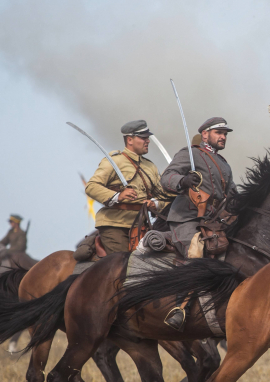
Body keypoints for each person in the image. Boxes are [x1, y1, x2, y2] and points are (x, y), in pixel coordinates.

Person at [160, 117, 237, 329]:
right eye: (219, 133)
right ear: (205, 135)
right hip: (187, 217)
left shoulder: (224, 164)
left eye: (225, 134)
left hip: (213, 220)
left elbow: (231, 192)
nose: (223, 137)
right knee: (195, 250)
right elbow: (166, 177)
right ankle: (180, 309)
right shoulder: (190, 153)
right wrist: (182, 181)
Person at [85, 120, 162, 254]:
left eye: (147, 137)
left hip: (142, 225)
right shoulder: (114, 161)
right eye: (143, 137)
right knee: (123, 263)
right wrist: (118, 196)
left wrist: (156, 203)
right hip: (115, 224)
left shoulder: (151, 167)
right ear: (130, 139)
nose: (148, 141)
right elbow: (91, 187)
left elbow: (164, 195)